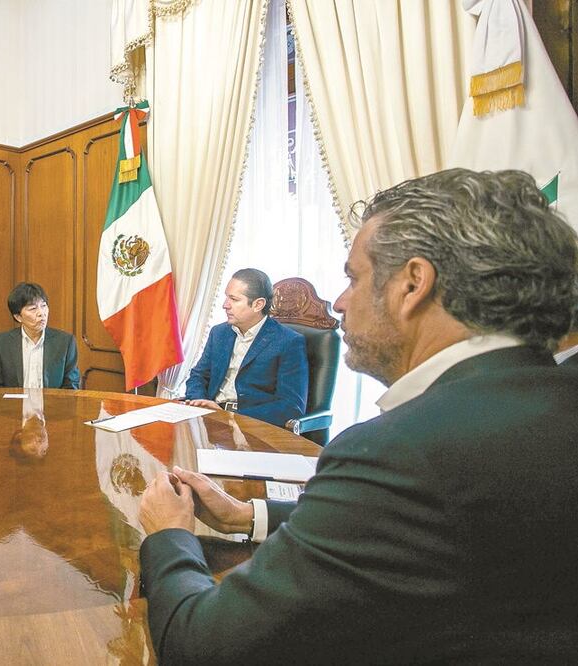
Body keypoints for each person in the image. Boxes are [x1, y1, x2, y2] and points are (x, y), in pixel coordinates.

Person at [137, 169, 578, 662]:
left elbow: (202, 646)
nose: (340, 303)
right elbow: (402, 529)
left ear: (413, 284)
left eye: (353, 277)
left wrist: (170, 534)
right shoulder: (554, 402)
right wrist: (249, 514)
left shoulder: (397, 453)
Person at [183, 268, 307, 426]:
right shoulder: (219, 333)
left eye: (234, 299)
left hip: (252, 426)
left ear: (258, 304)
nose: (225, 305)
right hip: (210, 420)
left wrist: (232, 416)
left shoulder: (289, 342)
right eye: (226, 297)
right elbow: (198, 376)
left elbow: (291, 406)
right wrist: (200, 402)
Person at [0, 282, 80, 390]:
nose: (41, 313)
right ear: (18, 317)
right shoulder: (1, 342)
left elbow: (71, 385)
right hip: (13, 405)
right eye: (33, 309)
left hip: (52, 405)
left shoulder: (65, 342)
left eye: (44, 306)